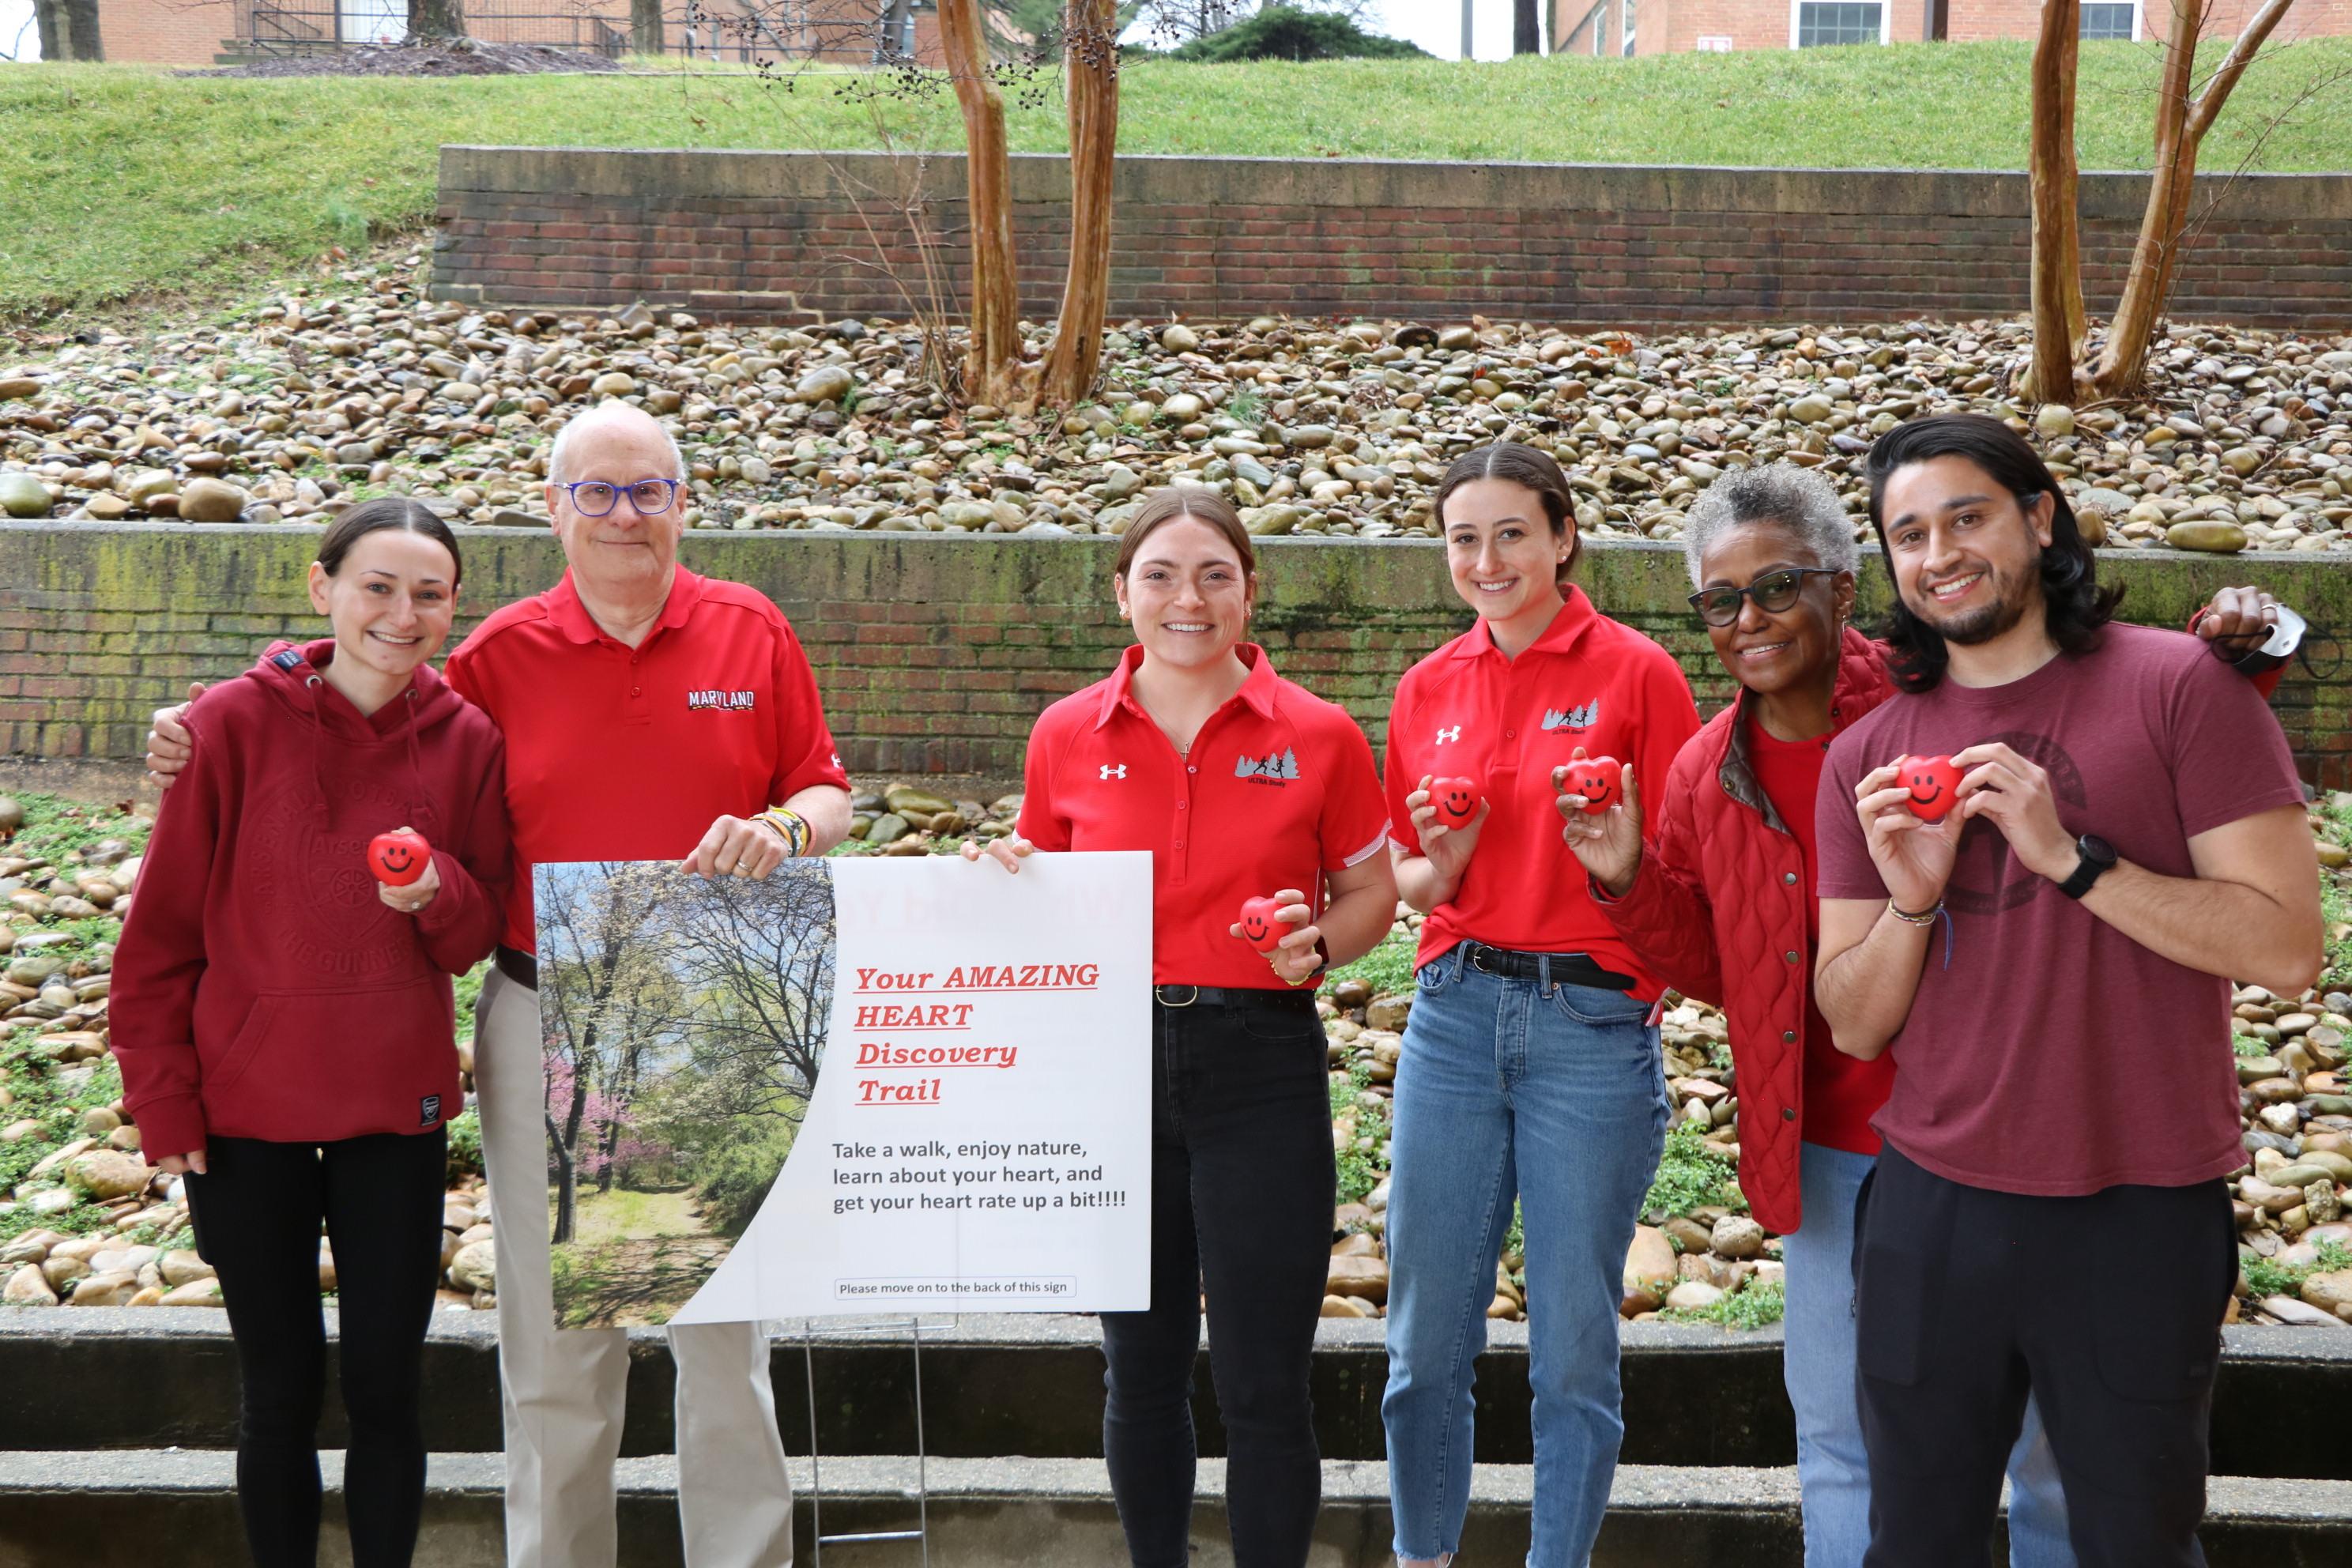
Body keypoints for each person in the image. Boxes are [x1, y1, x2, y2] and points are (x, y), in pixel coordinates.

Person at [145, 400, 855, 1568]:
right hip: (549, 1009)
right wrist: (214, 712)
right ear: (554, 506)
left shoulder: (752, 628)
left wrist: (786, 826)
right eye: (597, 492)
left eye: (648, 491)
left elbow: (827, 789)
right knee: (560, 1348)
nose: (625, 515)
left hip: (721, 1001)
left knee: (727, 1345)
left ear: (684, 502)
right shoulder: (499, 655)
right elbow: (365, 680)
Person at [1562, 458, 2291, 1568]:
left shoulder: (1912, 697)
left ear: (1846, 587)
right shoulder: (1714, 772)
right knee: (1855, 1451)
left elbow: (2094, 709)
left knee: (2072, 1471)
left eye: (1777, 588)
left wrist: (2252, 639)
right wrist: (1622, 884)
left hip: (2032, 1139)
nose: (1750, 621)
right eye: (1721, 601)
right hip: (1848, 1152)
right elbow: (1728, 966)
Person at [1811, 413, 2322, 1566]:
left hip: (2139, 1205)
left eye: (1968, 517)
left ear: (2040, 520)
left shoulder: (2183, 685)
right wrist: (1912, 899)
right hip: (1934, 1210)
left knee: (2138, 1543)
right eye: (1908, 533)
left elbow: (2289, 948)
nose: (1938, 551)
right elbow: (1854, 1019)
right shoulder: (1870, 757)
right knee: (1916, 1543)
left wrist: (2069, 856)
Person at [962, 487, 1396, 1568]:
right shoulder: (1067, 732)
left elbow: (1372, 893)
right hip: (1110, 1067)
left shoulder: (1323, 735)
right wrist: (1002, 875)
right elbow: (1038, 883)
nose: (1187, 598)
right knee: (1141, 1372)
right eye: (1159, 574)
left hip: (1262, 1069)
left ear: (1251, 593)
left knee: (1263, 1381)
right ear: (1121, 594)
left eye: (1214, 575)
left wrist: (1323, 949)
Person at [113, 500, 511, 1568]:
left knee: (389, 1387)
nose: (401, 612)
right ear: (321, 587)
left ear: (452, 610)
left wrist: (436, 891)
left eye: (428, 594)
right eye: (377, 586)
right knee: (276, 1388)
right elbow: (158, 940)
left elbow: (471, 940)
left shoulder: (468, 737)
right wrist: (164, 1100)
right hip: (248, 1116)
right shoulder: (229, 726)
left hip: (397, 1111)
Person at [1377, 441, 1702, 1568]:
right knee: (1424, 1342)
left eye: (1512, 531)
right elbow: (1410, 881)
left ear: (1564, 536)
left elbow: (1683, 873)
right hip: (1455, 1019)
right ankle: (1425, 1556)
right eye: (1464, 538)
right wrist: (1446, 858)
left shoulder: (1638, 674)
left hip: (1591, 1029)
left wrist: (1615, 866)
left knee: (1572, 1351)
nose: (1487, 558)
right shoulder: (1427, 687)